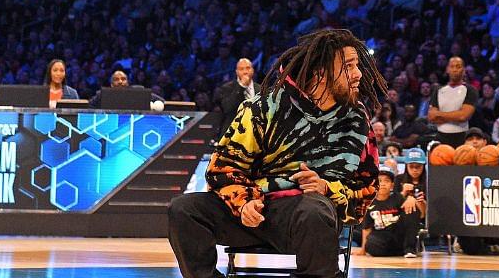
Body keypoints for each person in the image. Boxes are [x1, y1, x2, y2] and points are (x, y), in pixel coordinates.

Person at [167, 29, 386, 278]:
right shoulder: (263, 107)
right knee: (183, 209)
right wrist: (244, 201)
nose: (358, 74)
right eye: (349, 66)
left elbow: (367, 189)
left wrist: (327, 188)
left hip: (308, 217)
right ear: (321, 72)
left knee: (314, 210)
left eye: (357, 65)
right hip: (255, 208)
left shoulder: (356, 118)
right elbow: (222, 168)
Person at [356, 169, 421, 258]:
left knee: (411, 208)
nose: (382, 184)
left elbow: (419, 215)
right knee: (371, 242)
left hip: (397, 235)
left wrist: (411, 198)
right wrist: (362, 249)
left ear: (392, 185)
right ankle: (394, 252)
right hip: (381, 238)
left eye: (386, 181)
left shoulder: (398, 198)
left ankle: (409, 249)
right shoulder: (368, 202)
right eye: (379, 181)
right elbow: (366, 228)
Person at [430, 56, 476, 147]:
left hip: (462, 138)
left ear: (463, 70)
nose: (455, 69)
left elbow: (463, 116)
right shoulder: (438, 90)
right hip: (440, 138)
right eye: (452, 66)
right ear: (447, 69)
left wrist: (439, 114)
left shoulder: (470, 90)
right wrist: (455, 115)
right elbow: (431, 117)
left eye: (458, 67)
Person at [217, 58, 257, 137]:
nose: (245, 72)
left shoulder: (260, 89)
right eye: (241, 69)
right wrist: (241, 86)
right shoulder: (227, 88)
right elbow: (227, 108)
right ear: (237, 72)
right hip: (233, 134)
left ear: (252, 70)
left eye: (248, 68)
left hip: (253, 134)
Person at [91, 69, 164, 109]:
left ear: (128, 83)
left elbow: (161, 101)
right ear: (111, 84)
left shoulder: (138, 92)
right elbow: (90, 105)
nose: (120, 82)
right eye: (116, 79)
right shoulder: (103, 94)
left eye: (123, 79)